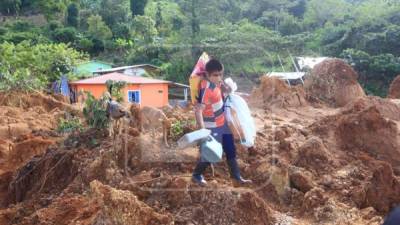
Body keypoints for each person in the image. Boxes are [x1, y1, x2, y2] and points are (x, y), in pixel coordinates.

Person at [192, 58, 252, 186]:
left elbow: (224, 92)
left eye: (220, 74)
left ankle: (236, 177)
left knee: (230, 149)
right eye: (215, 75)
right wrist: (203, 131)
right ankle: (197, 175)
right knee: (212, 152)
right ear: (207, 75)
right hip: (212, 127)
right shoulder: (206, 89)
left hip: (222, 124)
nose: (218, 77)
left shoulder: (217, 83)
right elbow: (198, 111)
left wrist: (231, 91)